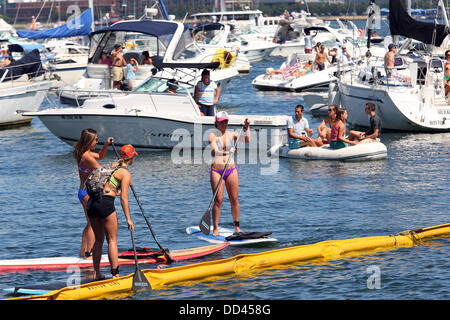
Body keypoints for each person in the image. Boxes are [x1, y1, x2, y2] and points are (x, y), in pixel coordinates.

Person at [87, 144, 137, 280]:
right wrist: (128, 219)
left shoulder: (112, 165)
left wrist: (120, 188)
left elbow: (110, 188)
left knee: (98, 240)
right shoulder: (125, 173)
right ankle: (115, 275)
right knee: (112, 241)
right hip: (105, 205)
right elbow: (124, 198)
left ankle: (96, 274)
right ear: (132, 158)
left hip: (91, 203)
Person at [73, 129, 114, 258]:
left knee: (89, 223)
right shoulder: (87, 157)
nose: (97, 142)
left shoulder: (86, 153)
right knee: (92, 223)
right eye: (95, 139)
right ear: (89, 141)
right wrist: (118, 167)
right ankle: (89, 253)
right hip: (86, 193)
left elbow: (100, 156)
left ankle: (83, 252)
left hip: (83, 191)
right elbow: (102, 171)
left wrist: (106, 145)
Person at [209, 111, 250, 237]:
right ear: (217, 122)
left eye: (226, 121)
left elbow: (247, 139)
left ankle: (237, 227)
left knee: (234, 199)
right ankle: (215, 228)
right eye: (221, 121)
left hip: (231, 170)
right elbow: (215, 151)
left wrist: (247, 127)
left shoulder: (232, 134)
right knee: (218, 201)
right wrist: (228, 152)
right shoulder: (212, 135)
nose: (224, 124)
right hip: (217, 171)